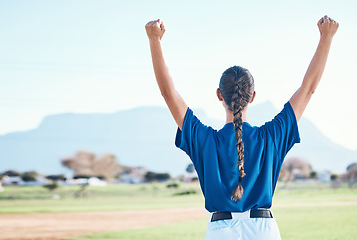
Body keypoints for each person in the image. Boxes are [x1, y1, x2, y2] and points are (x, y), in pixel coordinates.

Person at [145, 16, 339, 239]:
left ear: (219, 95)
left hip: (221, 231)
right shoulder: (271, 137)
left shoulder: (205, 139)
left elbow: (168, 94)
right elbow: (308, 89)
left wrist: (154, 40)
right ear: (253, 96)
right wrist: (326, 37)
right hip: (263, 230)